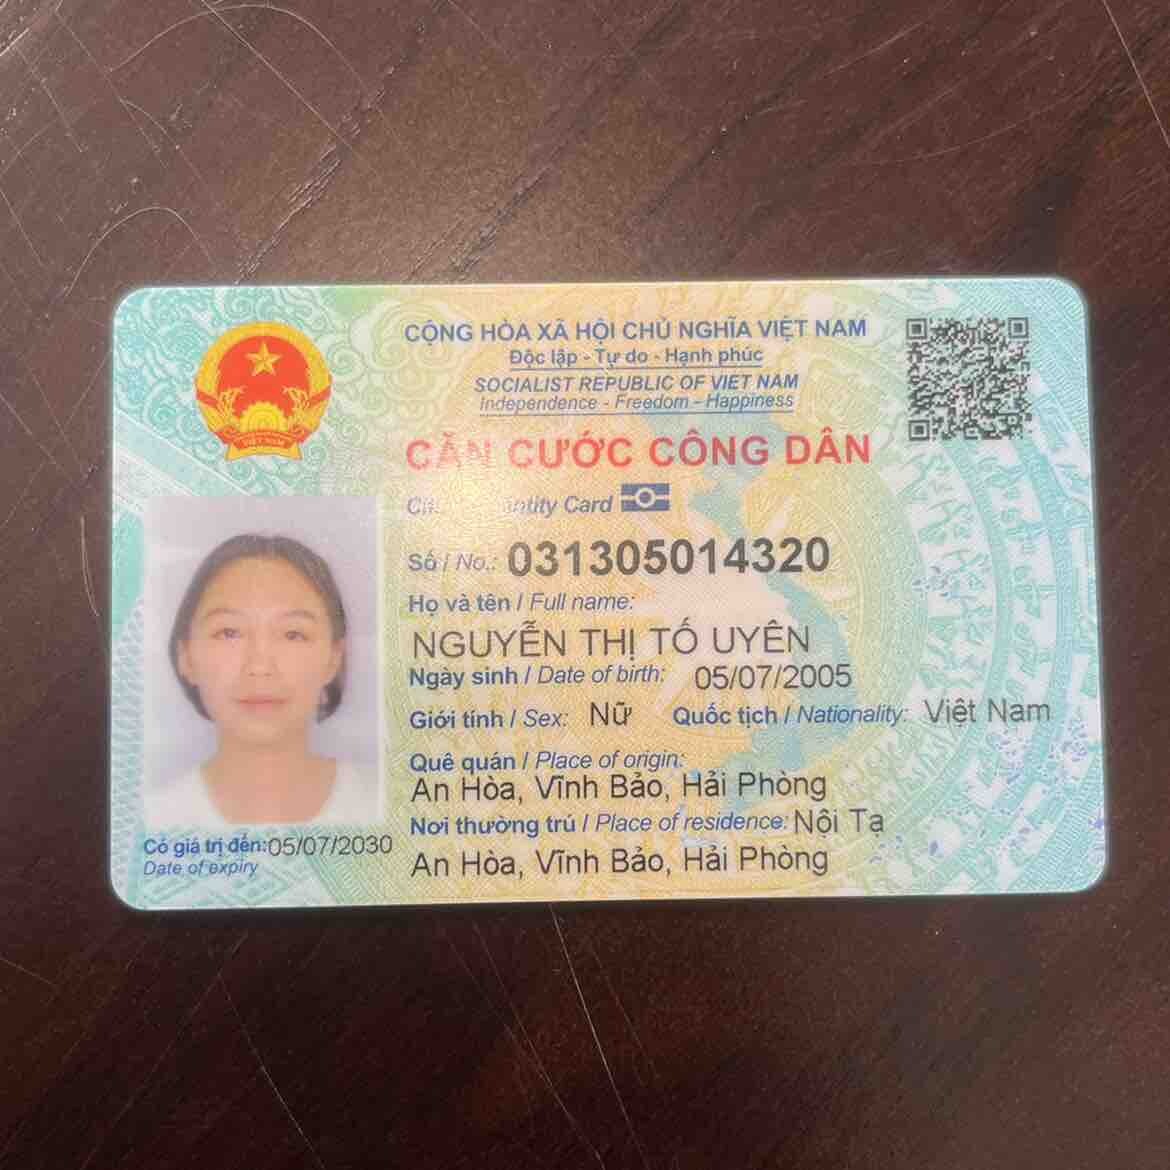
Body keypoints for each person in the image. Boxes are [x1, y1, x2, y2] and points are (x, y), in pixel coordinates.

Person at [146, 533, 373, 826]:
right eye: (229, 633)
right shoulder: (151, 821)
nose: (260, 666)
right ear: (186, 657)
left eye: (293, 634)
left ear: (333, 659)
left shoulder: (385, 804)